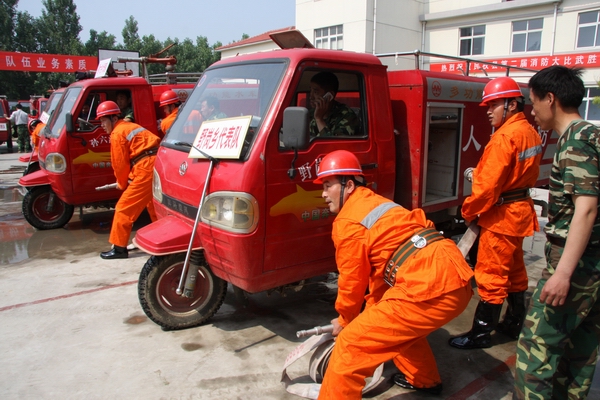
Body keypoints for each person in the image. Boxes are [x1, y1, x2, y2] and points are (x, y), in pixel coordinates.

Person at [314, 150, 474, 399]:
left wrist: (345, 320)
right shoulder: (377, 203)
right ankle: (425, 380)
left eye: (327, 185)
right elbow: (381, 276)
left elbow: (352, 280)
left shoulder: (348, 222)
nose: (323, 194)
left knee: (350, 347)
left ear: (348, 185)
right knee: (391, 325)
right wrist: (372, 308)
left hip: (429, 285)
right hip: (454, 277)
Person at [514, 66, 600, 399]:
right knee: (579, 349)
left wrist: (562, 273)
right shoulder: (591, 134)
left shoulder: (576, 139)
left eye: (534, 103)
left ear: (551, 99)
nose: (532, 111)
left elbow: (587, 208)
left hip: (576, 266)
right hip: (591, 266)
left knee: (535, 349)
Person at [449, 77, 543, 350]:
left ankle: (479, 334)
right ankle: (513, 322)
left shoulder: (504, 138)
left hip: (501, 219)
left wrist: (467, 211)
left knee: (491, 277)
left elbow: (486, 189)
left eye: (493, 104)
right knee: (514, 272)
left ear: (512, 104)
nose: (488, 110)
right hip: (519, 212)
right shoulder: (529, 131)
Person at [96, 100, 160, 259]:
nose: (102, 125)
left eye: (104, 121)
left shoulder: (117, 133)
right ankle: (160, 240)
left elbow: (119, 164)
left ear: (113, 118)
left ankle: (119, 248)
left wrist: (122, 182)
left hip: (146, 168)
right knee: (153, 205)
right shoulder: (128, 127)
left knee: (124, 208)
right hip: (155, 163)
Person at [308, 71, 359, 137]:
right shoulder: (310, 114)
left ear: (329, 96)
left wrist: (319, 119)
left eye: (315, 92)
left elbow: (333, 146)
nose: (311, 97)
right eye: (310, 91)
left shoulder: (347, 116)